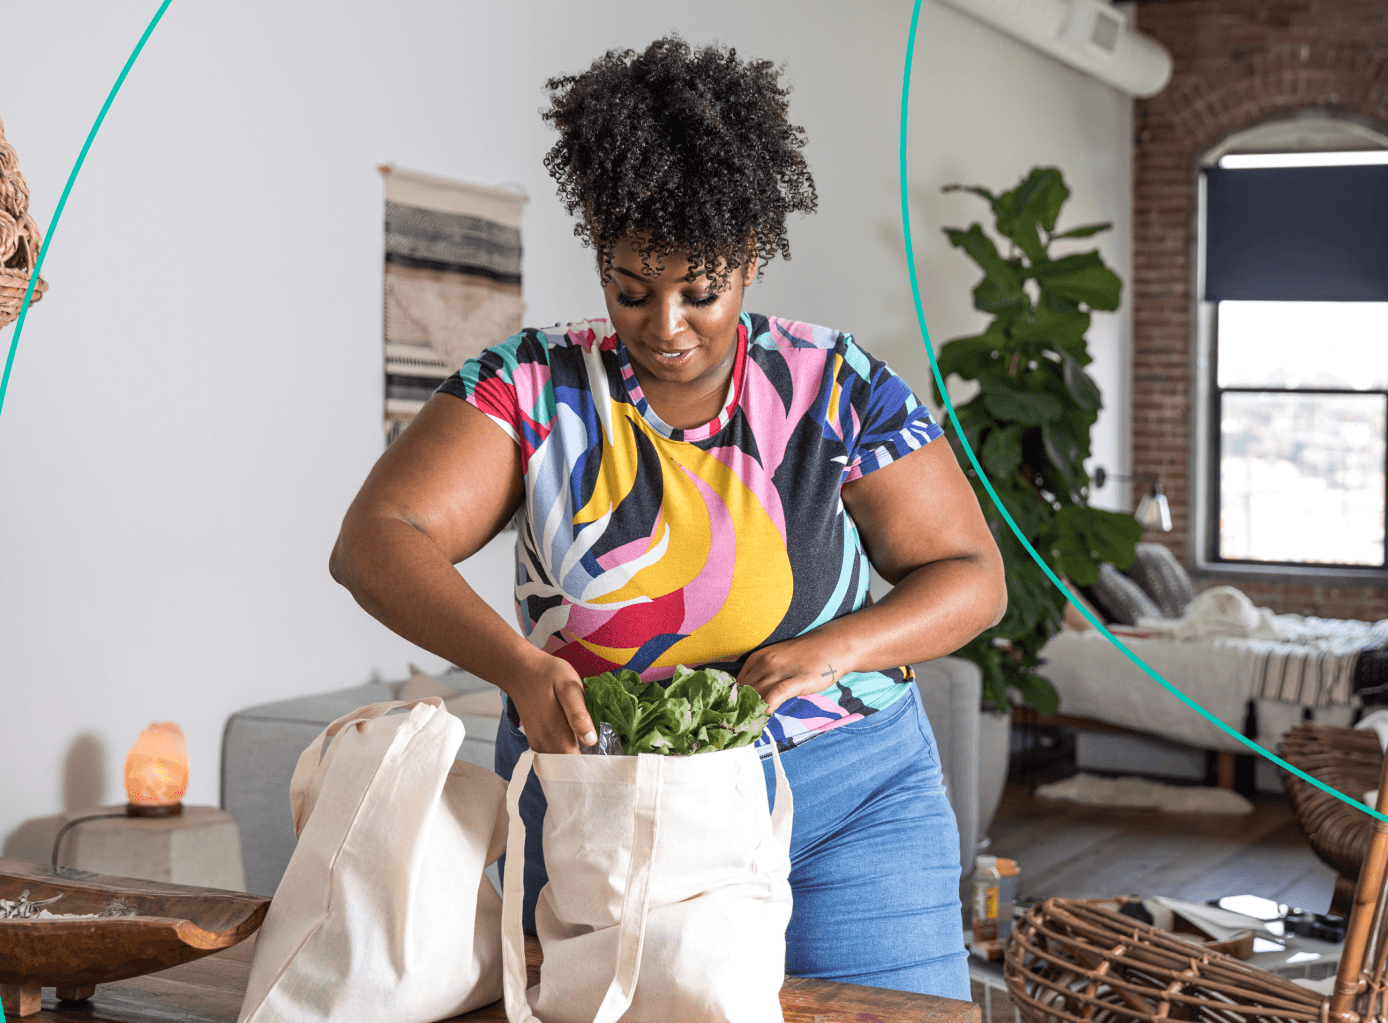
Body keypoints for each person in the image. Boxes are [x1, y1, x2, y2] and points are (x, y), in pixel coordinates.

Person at [328, 36, 1006, 999]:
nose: (666, 326)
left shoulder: (835, 385)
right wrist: (520, 668)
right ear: (601, 254)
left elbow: (971, 575)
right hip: (601, 809)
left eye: (702, 291)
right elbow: (373, 542)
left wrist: (833, 651)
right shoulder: (532, 384)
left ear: (754, 258)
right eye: (631, 290)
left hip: (844, 801)